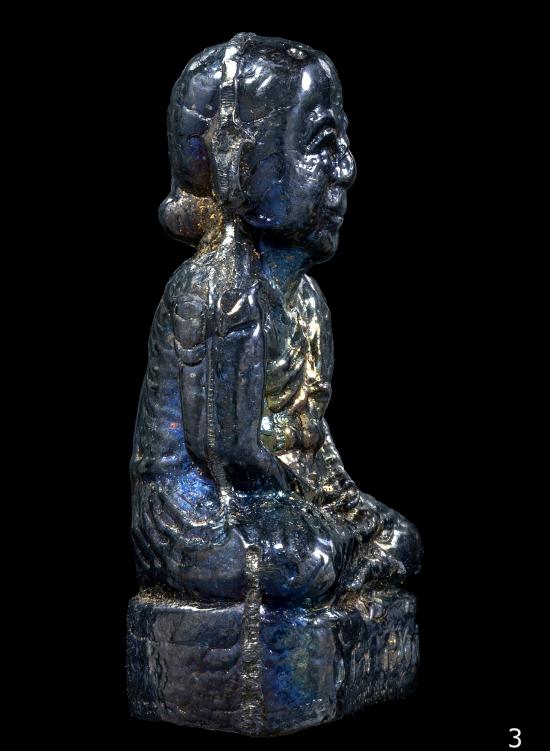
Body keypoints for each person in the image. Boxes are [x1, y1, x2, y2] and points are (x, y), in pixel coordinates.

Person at [130, 33, 421, 608]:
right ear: (241, 164)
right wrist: (314, 519)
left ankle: (333, 558)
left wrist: (342, 506)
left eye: (343, 143)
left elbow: (309, 435)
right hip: (201, 508)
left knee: (400, 540)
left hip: (277, 494)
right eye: (321, 144)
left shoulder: (307, 301)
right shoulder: (215, 292)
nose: (346, 168)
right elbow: (227, 456)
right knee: (303, 562)